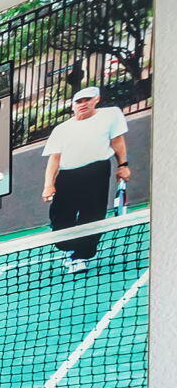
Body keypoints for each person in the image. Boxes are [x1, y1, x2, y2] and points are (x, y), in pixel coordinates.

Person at [42, 84, 131, 272]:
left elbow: (117, 142)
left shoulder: (111, 115)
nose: (83, 104)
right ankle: (70, 248)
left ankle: (81, 256)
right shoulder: (61, 129)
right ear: (72, 105)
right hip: (68, 176)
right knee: (60, 219)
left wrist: (122, 166)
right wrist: (48, 185)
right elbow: (54, 159)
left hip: (97, 171)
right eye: (79, 101)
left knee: (92, 216)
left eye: (87, 100)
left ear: (96, 100)